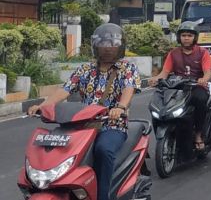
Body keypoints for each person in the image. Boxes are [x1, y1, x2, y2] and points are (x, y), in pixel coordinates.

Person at [29, 23, 141, 200]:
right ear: (96, 47)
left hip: (112, 124)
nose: (107, 49)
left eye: (112, 44)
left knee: (104, 150)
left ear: (120, 46)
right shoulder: (85, 69)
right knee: (57, 149)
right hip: (81, 126)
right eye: (103, 44)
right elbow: (64, 90)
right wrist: (43, 105)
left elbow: (129, 90)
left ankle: (103, 196)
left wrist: (120, 108)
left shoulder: (128, 68)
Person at [149, 21, 211, 150]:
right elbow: (165, 72)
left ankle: (198, 135)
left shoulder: (203, 52)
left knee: (200, 100)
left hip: (196, 86)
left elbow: (208, 73)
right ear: (179, 37)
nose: (186, 38)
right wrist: (155, 79)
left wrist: (202, 79)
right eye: (184, 35)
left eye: (189, 35)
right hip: (177, 86)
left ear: (195, 37)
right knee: (158, 102)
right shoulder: (173, 53)